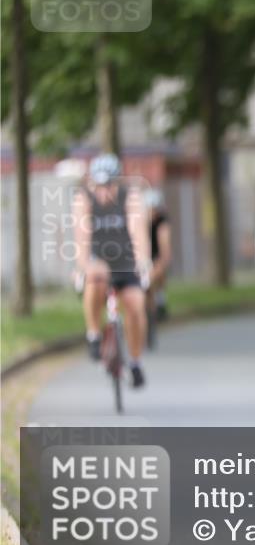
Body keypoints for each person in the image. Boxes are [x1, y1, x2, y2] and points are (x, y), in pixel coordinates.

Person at [72, 153, 151, 388]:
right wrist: (82, 267)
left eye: (109, 185)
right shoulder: (84, 199)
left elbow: (139, 234)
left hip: (125, 261)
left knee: (136, 306)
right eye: (98, 185)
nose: (103, 191)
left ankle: (135, 362)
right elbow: (81, 238)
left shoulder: (131, 198)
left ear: (118, 182)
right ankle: (94, 335)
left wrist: (143, 261)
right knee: (95, 278)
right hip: (98, 260)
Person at [145, 188, 172, 323]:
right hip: (143, 256)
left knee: (156, 274)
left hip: (156, 255)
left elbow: (164, 246)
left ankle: (160, 300)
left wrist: (162, 263)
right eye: (150, 209)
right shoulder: (139, 222)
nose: (152, 213)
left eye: (155, 209)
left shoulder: (162, 222)